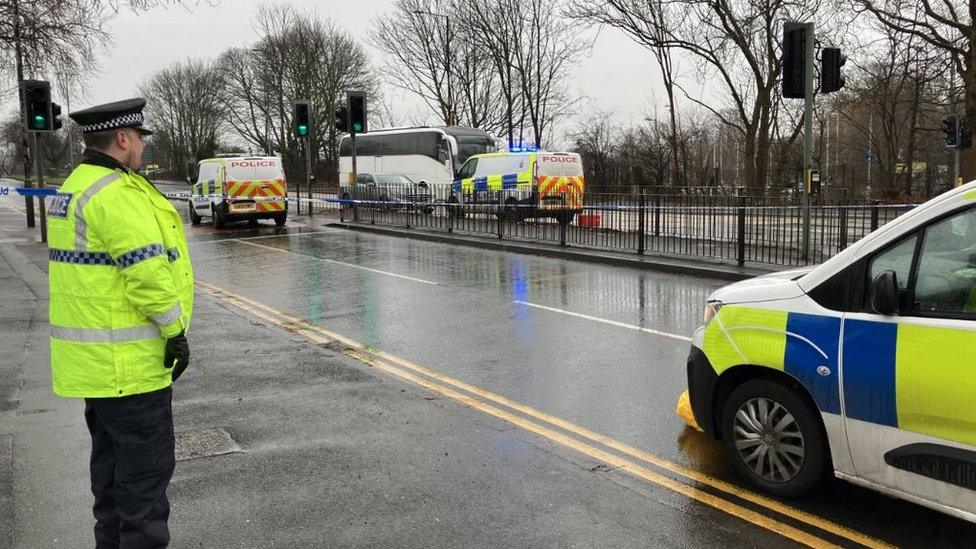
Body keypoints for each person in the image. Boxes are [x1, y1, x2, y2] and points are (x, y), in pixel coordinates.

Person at [47, 98, 194, 548]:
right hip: (130, 370)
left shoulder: (74, 186)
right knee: (144, 491)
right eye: (141, 139)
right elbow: (146, 275)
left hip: (95, 368)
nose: (143, 148)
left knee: (110, 486)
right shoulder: (115, 195)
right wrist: (175, 333)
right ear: (124, 139)